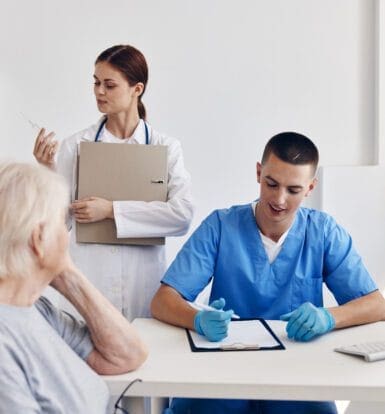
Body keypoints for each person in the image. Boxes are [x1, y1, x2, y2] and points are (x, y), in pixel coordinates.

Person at [151, 132, 385, 414]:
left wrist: (328, 317)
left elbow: (375, 304)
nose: (279, 199)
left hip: (297, 375)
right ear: (259, 172)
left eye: (294, 190)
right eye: (271, 183)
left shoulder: (323, 232)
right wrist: (197, 319)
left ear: (310, 187)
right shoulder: (221, 226)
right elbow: (163, 300)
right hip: (221, 373)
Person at [33, 44, 193, 320]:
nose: (99, 92)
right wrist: (48, 172)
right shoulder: (76, 146)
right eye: (96, 83)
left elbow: (182, 216)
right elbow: (60, 225)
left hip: (141, 284)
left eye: (109, 84)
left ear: (137, 89)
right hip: (90, 279)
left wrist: (111, 210)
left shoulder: (165, 147)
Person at [0, 161, 148, 413]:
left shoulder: (37, 308)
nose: (67, 234)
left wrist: (65, 272)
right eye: (61, 222)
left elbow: (127, 355)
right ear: (39, 238)